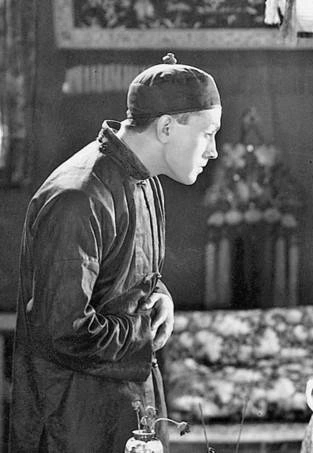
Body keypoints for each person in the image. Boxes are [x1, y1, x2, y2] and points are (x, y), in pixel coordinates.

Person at [9, 52, 222, 452]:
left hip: (127, 406)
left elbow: (132, 277)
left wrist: (160, 297)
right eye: (208, 133)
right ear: (166, 127)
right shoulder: (78, 197)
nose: (213, 151)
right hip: (75, 420)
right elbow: (65, 331)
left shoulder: (145, 180)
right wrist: (144, 329)